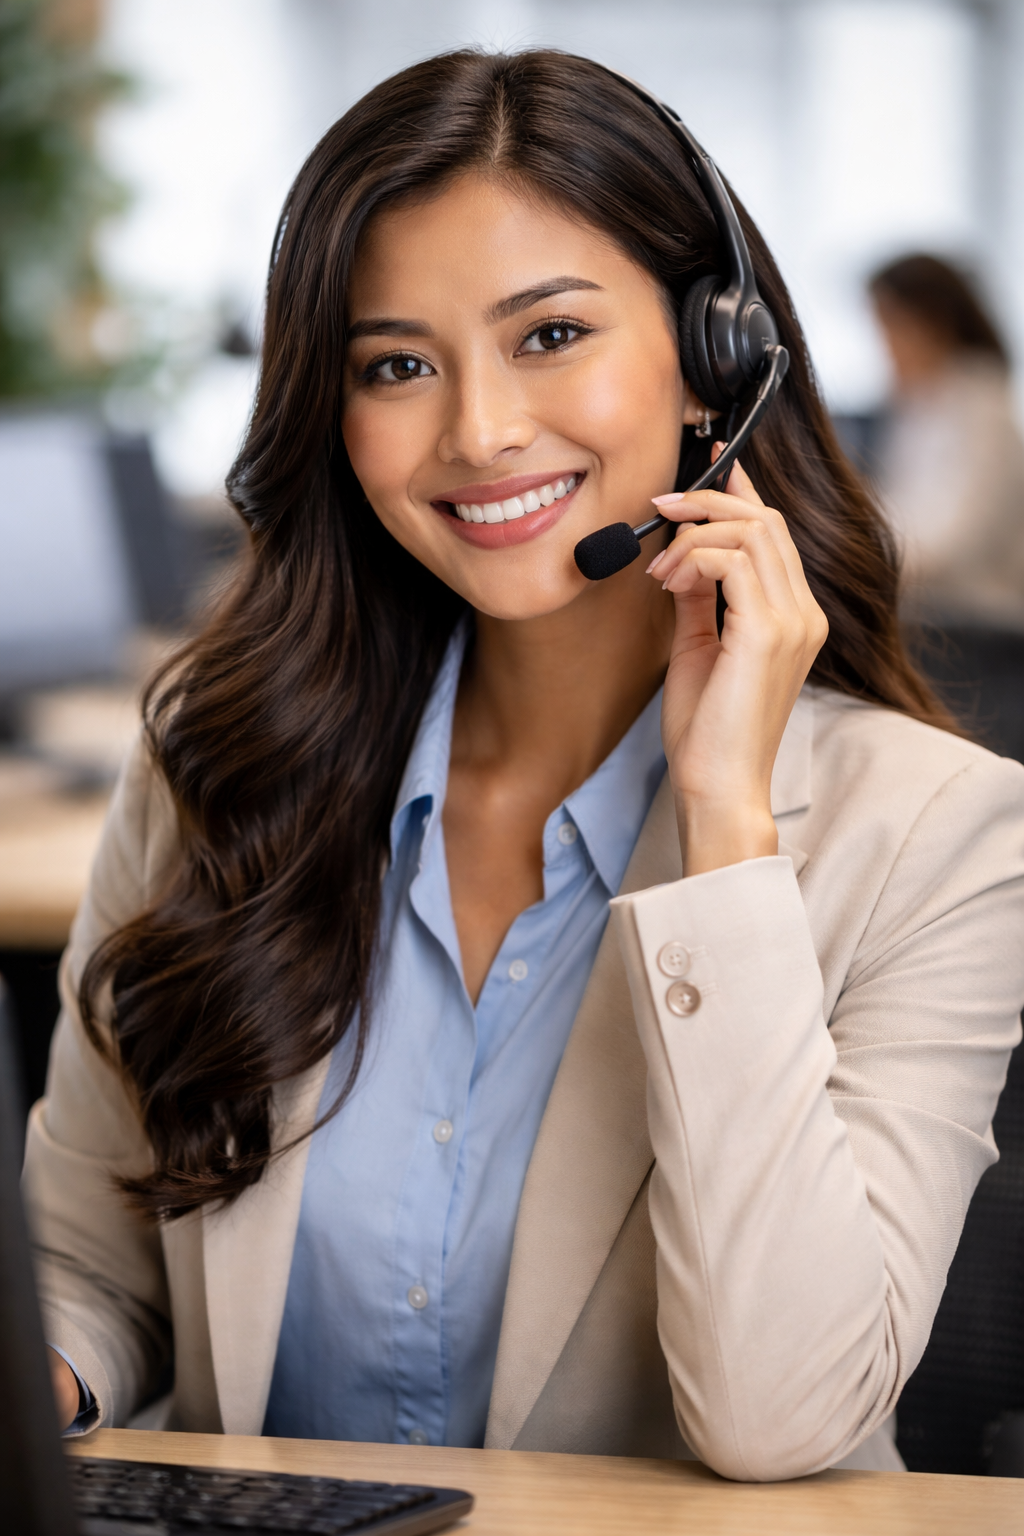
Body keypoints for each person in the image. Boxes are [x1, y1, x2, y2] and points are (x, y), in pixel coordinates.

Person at [25, 52, 1024, 1483]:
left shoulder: (937, 834)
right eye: (397, 365)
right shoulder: (217, 773)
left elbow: (782, 1421)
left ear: (714, 357)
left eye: (549, 336)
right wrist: (50, 1374)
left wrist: (728, 829)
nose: (479, 430)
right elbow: (90, 1263)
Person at [870, 254, 1024, 757]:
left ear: (930, 320)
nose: (885, 347)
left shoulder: (978, 401)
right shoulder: (921, 403)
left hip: (979, 631)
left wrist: (856, 550)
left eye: (891, 327)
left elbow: (949, 538)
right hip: (938, 620)